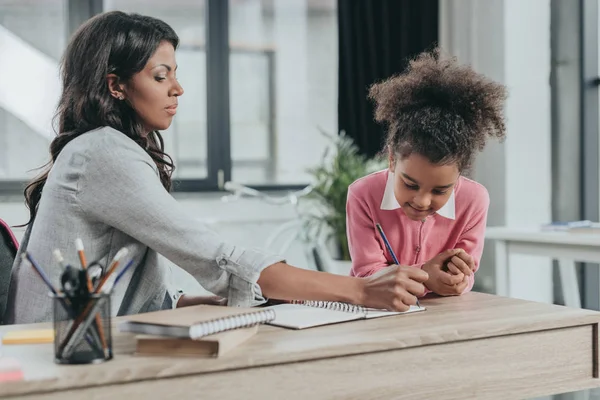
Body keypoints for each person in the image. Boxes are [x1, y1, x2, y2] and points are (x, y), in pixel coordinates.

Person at [2, 11, 429, 324]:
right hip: (58, 356)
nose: (178, 88)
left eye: (175, 73)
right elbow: (217, 257)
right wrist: (358, 289)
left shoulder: (105, 149)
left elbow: (128, 278)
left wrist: (192, 302)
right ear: (115, 85)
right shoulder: (102, 152)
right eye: (160, 75)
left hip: (78, 341)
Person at [346, 49, 507, 297]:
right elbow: (368, 276)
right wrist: (427, 276)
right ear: (391, 160)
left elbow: (466, 275)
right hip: (377, 314)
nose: (422, 201)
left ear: (461, 172)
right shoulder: (363, 194)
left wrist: (458, 278)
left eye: (441, 190)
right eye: (410, 184)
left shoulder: (474, 200)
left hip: (445, 316)